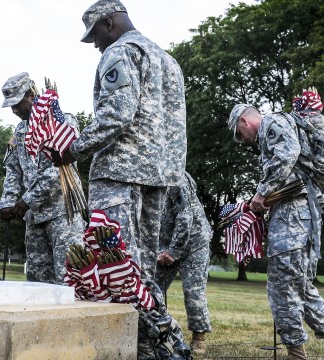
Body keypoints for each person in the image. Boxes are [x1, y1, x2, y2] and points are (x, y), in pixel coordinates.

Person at [52, 0, 187, 279]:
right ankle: (151, 321)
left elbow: (117, 114)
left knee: (114, 260)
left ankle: (123, 322)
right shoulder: (167, 60)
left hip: (120, 174)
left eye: (95, 35)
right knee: (143, 267)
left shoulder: (120, 52)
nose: (95, 44)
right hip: (159, 175)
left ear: (109, 23)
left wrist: (72, 149)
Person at [227, 104, 324, 360]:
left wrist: (262, 192)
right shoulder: (280, 126)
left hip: (292, 217)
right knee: (300, 286)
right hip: (302, 215)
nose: (243, 140)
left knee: (282, 288)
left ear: (244, 121)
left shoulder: (271, 123)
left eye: (240, 134)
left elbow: (287, 153)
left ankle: (297, 355)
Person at [0, 72, 85, 284]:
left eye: (17, 103)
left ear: (30, 95)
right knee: (37, 282)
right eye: (11, 105)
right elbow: (14, 170)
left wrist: (27, 200)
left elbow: (58, 170)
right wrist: (7, 202)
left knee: (69, 278)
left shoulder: (61, 121)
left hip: (63, 212)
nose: (14, 110)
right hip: (34, 217)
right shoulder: (20, 132)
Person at [154, 172, 212, 355]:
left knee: (193, 291)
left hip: (194, 243)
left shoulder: (175, 176)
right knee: (151, 288)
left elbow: (184, 218)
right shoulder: (145, 177)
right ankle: (154, 331)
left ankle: (198, 338)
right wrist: (158, 250)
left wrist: (173, 251)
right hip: (164, 244)